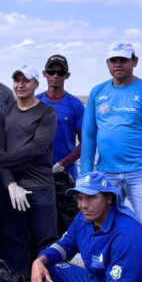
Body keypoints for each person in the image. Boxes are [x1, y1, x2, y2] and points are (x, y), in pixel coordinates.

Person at [81, 41, 142, 239]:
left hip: (140, 172)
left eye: (123, 60)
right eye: (113, 60)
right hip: (106, 173)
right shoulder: (97, 92)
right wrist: (85, 176)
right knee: (102, 227)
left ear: (134, 61)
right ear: (107, 63)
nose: (118, 64)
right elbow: (88, 136)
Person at [0, 66, 57, 277]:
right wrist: (10, 183)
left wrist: (1, 159)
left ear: (36, 83)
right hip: (12, 189)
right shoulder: (4, 112)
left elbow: (37, 149)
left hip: (40, 187)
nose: (20, 85)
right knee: (13, 239)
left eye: (26, 81)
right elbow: (0, 147)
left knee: (46, 240)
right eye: (16, 80)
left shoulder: (47, 113)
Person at [36, 53, 84, 231]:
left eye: (60, 72)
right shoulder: (36, 102)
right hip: (39, 175)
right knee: (41, 225)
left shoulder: (75, 105)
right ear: (44, 74)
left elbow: (85, 142)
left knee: (67, 225)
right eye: (51, 71)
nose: (55, 76)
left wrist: (63, 165)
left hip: (66, 175)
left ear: (67, 75)